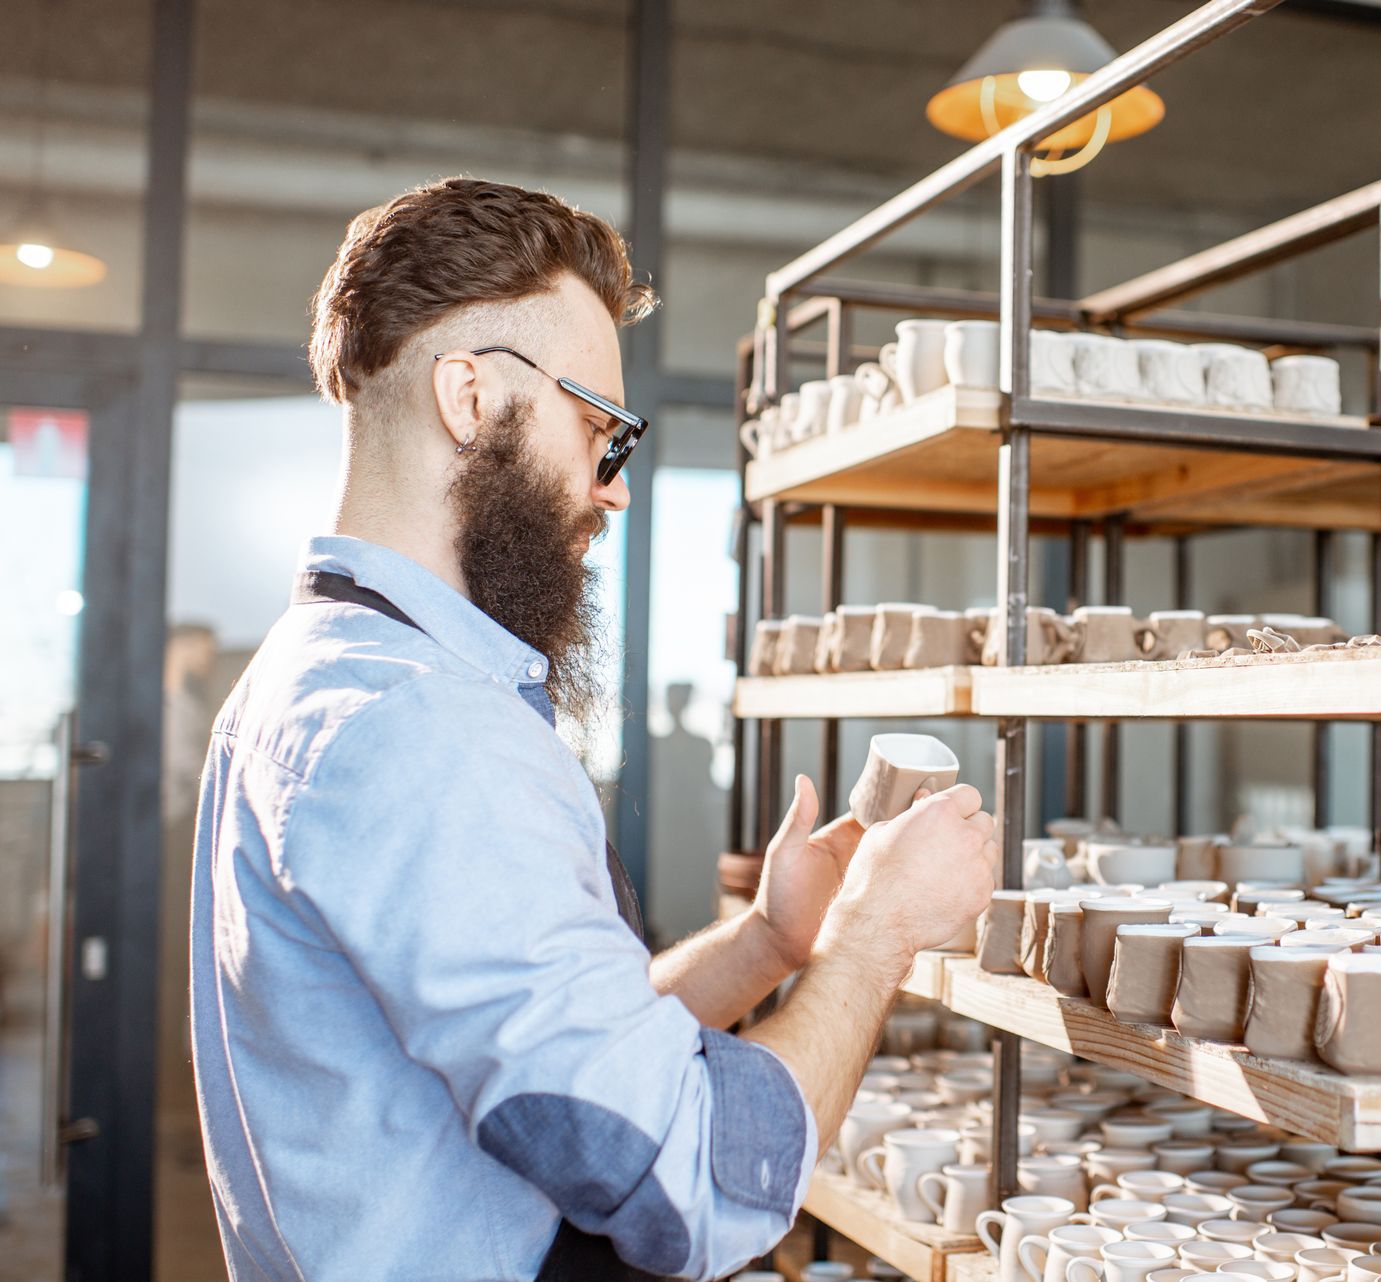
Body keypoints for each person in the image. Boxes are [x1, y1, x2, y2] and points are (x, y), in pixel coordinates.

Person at [189, 177, 997, 1282]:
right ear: (468, 398)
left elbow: (556, 1086)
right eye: (598, 429)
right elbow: (692, 1184)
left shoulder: (317, 671)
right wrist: (878, 934)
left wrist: (765, 943)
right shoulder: (420, 729)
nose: (612, 488)